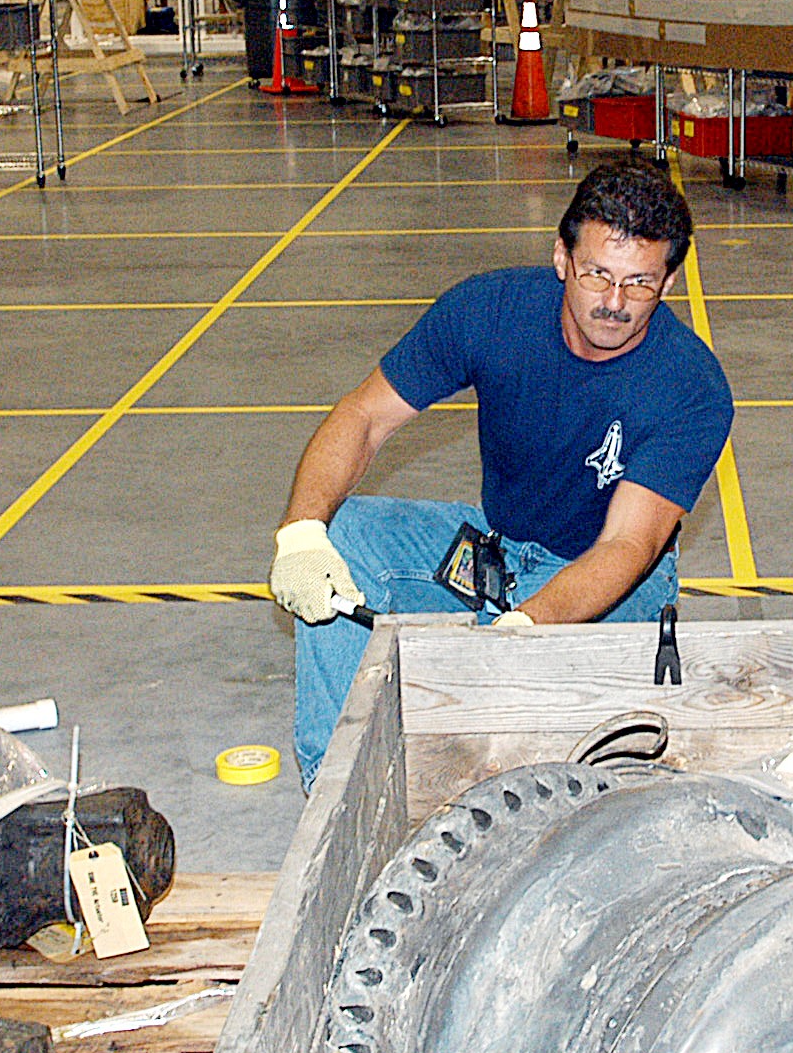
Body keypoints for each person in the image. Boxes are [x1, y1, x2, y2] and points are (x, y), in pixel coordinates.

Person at [268, 158, 734, 783]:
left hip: (609, 583)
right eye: (597, 273)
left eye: (639, 283)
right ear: (562, 259)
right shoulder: (490, 311)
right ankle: (338, 788)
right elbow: (364, 417)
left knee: (575, 776)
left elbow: (629, 545)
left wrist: (526, 627)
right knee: (343, 537)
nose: (615, 303)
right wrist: (301, 532)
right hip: (500, 549)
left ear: (669, 282)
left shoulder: (692, 387)